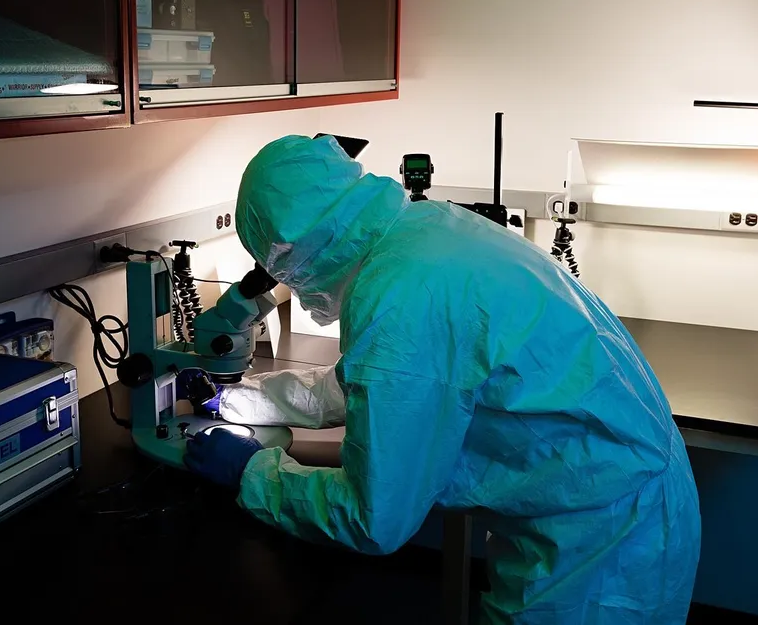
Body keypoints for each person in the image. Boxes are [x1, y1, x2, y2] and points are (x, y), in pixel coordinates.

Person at [184, 134, 701, 624]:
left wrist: (254, 473)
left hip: (600, 544)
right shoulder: (425, 229)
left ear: (293, 252)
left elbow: (373, 519)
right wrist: (246, 401)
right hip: (617, 495)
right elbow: (385, 381)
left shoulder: (397, 294)